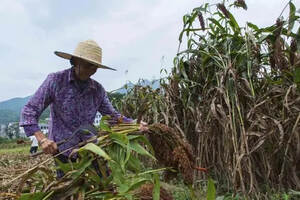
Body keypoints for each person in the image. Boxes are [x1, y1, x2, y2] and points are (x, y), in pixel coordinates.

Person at [20, 39, 147, 178]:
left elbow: (113, 117)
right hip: (63, 149)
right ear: (75, 62)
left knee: (103, 184)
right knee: (68, 187)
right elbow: (29, 111)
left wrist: (134, 124)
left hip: (90, 146)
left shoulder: (97, 90)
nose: (92, 70)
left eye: (95, 67)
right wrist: (42, 139)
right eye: (88, 65)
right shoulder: (55, 81)